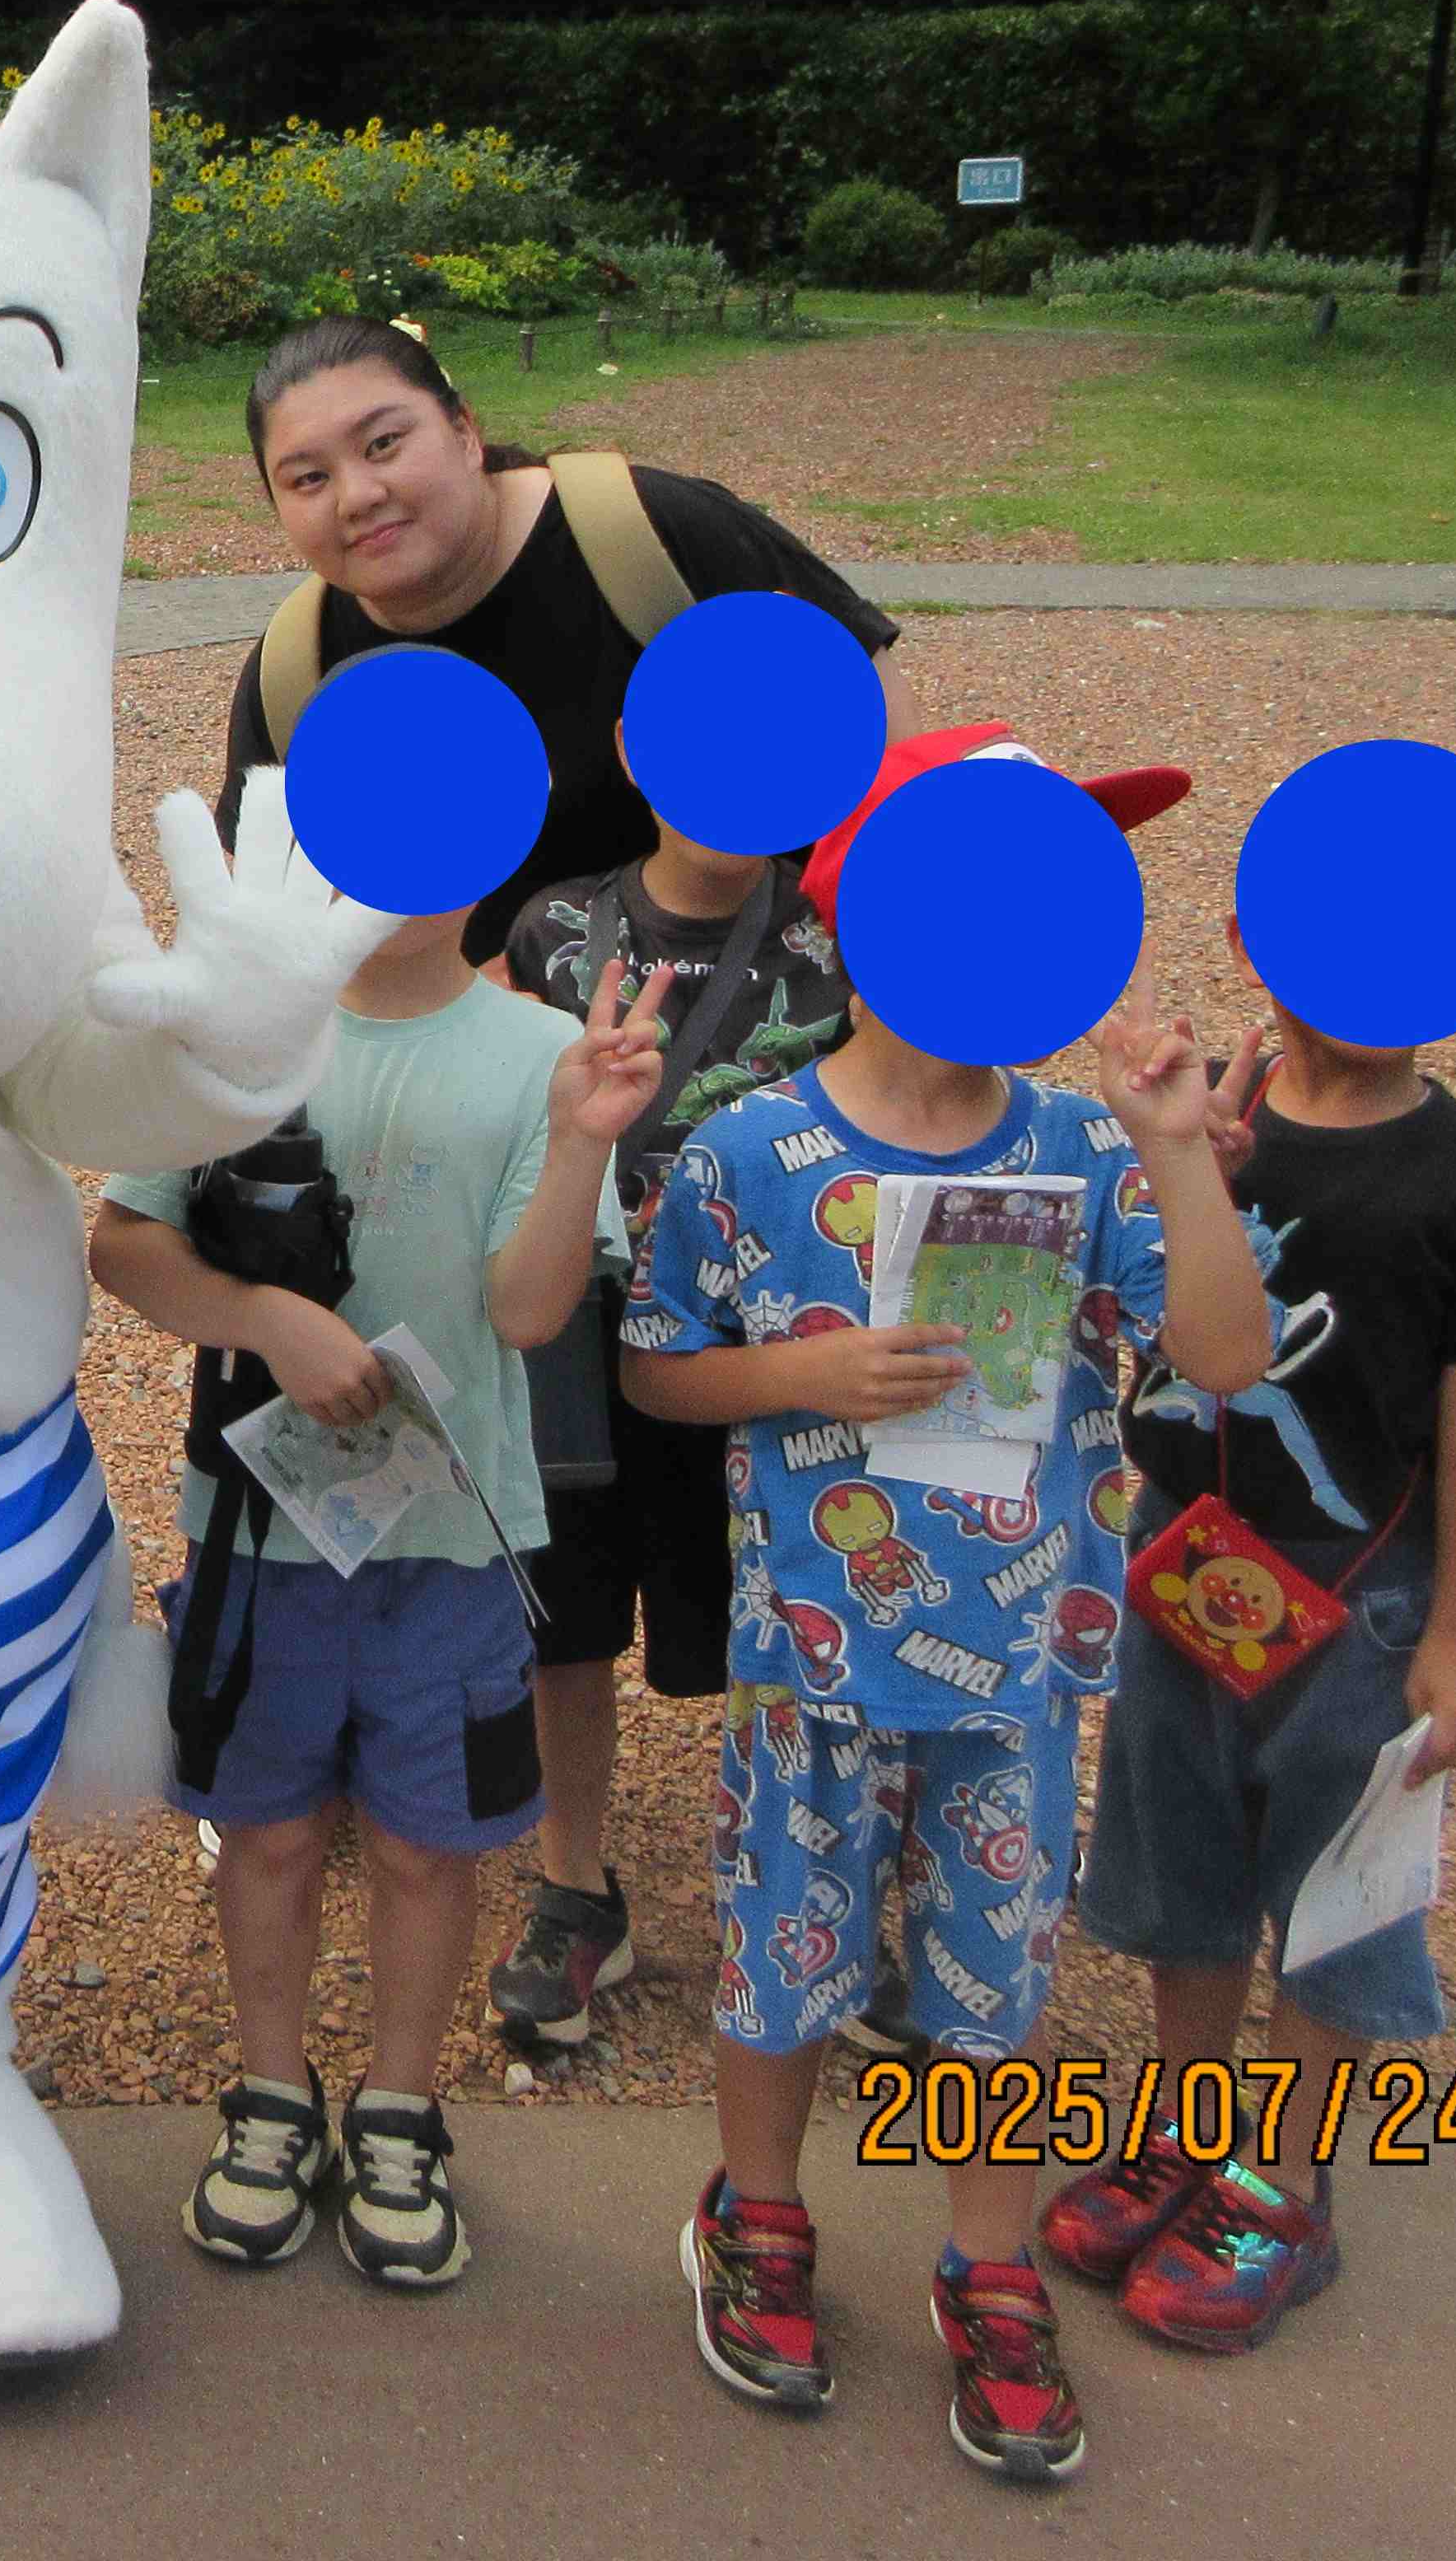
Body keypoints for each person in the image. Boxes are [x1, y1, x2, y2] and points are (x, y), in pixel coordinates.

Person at [623, 727, 1271, 2489]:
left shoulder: (1085, 1146)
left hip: (1017, 1671)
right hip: (802, 1662)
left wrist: (1180, 1155)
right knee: (780, 1962)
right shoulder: (748, 1151)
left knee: (995, 1982)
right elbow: (657, 1367)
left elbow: (1221, 1357)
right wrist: (797, 1371)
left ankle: (988, 2264)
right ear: (869, 913)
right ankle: (757, 2214)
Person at [90, 874, 668, 2288]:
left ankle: (400, 2106)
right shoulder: (236, 1036)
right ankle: (270, 2095)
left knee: (425, 1844)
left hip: (450, 1542)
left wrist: (582, 1142)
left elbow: (527, 1309)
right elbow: (123, 1240)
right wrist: (262, 1318)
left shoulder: (540, 1052)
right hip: (257, 1536)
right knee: (268, 1834)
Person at [1043, 913, 1456, 2351]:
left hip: (1362, 1586)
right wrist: (1176, 1163)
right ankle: (1188, 2131)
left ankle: (1280, 2183)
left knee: (1334, 1889)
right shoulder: (1210, 1120)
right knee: (1184, 1854)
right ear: (1254, 938)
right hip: (1180, 1560)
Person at [483, 731, 852, 2045]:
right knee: (568, 1623)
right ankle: (575, 1888)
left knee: (789, 1614)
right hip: (573, 1333)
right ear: (636, 753)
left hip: (763, 1351)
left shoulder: (836, 939)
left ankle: (819, 1886)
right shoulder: (553, 931)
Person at [217, 316, 909, 965]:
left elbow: (892, 757)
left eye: (384, 444)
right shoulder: (297, 673)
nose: (358, 496)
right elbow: (263, 947)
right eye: (309, 479)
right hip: (490, 1052)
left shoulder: (650, 540)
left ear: (465, 432)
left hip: (774, 1021)